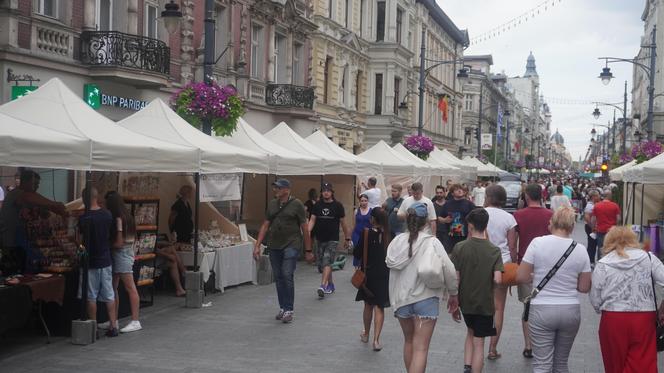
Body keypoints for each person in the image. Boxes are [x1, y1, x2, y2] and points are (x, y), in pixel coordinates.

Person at [516, 207, 592, 373]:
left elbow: (521, 276)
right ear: (572, 227)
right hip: (570, 309)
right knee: (561, 364)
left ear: (551, 223)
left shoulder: (537, 243)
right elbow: (585, 287)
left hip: (542, 308)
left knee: (542, 364)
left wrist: (535, 277)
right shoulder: (580, 249)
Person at [386, 203, 459, 373]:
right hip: (426, 298)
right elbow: (448, 269)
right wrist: (453, 294)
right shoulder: (432, 242)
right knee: (421, 348)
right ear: (426, 221)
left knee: (409, 341)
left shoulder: (396, 242)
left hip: (402, 298)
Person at [590, 226, 664, 373]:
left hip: (613, 317)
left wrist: (600, 307)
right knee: (643, 361)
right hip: (644, 317)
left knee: (615, 363)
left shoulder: (603, 263)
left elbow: (595, 299)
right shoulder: (649, 258)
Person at [450, 208, 503, 373]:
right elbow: (498, 279)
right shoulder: (494, 250)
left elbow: (455, 278)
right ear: (486, 226)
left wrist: (455, 300)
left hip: (466, 302)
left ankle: (467, 366)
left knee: (470, 332)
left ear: (470, 226)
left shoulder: (460, 247)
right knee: (479, 343)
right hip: (484, 303)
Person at [253, 179, 312, 323]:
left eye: (278, 188)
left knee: (286, 274)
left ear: (287, 190)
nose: (275, 190)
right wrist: (257, 245)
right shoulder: (273, 204)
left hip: (292, 243)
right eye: (275, 188)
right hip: (274, 245)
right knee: (278, 277)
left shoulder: (297, 204)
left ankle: (289, 309)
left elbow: (304, 227)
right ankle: (283, 307)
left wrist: (308, 249)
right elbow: (266, 225)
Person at [513, 183, 554, 359]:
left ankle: (528, 345)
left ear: (527, 196)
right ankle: (544, 344)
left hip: (525, 265)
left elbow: (513, 242)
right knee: (545, 306)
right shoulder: (551, 215)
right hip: (548, 267)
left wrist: (515, 262)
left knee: (528, 306)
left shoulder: (518, 215)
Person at [0, 169, 66, 274]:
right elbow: (29, 198)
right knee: (18, 273)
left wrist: (61, 212)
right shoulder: (16, 194)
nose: (37, 186)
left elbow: (45, 210)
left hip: (25, 242)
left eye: (38, 184)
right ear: (26, 182)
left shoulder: (33, 197)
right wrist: (54, 204)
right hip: (12, 244)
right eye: (35, 184)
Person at [79, 187, 118, 337]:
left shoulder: (84, 218)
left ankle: (94, 328)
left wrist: (78, 247)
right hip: (106, 259)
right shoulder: (108, 215)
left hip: (90, 262)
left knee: (91, 296)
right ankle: (113, 326)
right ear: (97, 197)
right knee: (109, 294)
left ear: (84, 199)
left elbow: (81, 243)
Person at [484, 185, 517, 360]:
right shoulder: (509, 218)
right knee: (498, 308)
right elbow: (512, 246)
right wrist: (515, 262)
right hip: (502, 264)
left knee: (481, 306)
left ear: (488, 197)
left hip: (480, 265)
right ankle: (492, 348)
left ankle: (476, 345)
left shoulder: (478, 214)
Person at [104, 191, 141, 333]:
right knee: (114, 286)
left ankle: (135, 320)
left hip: (121, 253)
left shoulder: (118, 219)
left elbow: (118, 243)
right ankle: (114, 319)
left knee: (128, 287)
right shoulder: (128, 217)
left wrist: (108, 245)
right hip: (127, 251)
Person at [354, 207, 391, 351]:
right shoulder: (389, 234)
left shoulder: (366, 233)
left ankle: (366, 334)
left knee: (368, 305)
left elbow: (357, 253)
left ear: (372, 219)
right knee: (379, 307)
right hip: (383, 274)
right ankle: (376, 340)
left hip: (368, 274)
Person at [308, 182, 350, 298]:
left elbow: (344, 223)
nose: (326, 192)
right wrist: (308, 231)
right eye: (324, 190)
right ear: (321, 193)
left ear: (332, 192)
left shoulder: (338, 206)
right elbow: (312, 220)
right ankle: (330, 284)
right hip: (320, 238)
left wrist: (347, 238)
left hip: (333, 239)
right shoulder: (317, 205)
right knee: (324, 264)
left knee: (327, 260)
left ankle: (323, 285)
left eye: (328, 190)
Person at [439, 184, 476, 251]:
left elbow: (476, 220)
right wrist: (444, 220)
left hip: (465, 238)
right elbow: (439, 218)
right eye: (456, 189)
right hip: (450, 238)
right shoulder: (447, 204)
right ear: (452, 193)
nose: (459, 190)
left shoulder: (469, 204)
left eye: (461, 189)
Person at [592, 189, 621, 259]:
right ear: (609, 196)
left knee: (601, 248)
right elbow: (619, 219)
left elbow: (593, 219)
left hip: (600, 230)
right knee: (611, 248)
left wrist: (594, 228)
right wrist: (616, 226)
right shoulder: (615, 206)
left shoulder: (597, 206)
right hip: (611, 231)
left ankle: (600, 263)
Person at [351, 194, 372, 267]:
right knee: (357, 252)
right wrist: (350, 237)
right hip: (357, 234)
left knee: (366, 252)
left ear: (368, 201)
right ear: (359, 202)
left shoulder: (371, 211)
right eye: (362, 201)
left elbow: (373, 224)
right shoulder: (356, 211)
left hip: (367, 235)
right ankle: (357, 271)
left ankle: (364, 269)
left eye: (365, 201)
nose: (364, 202)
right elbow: (353, 224)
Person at [584, 190, 601, 265]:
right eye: (597, 195)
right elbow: (587, 217)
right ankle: (590, 261)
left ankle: (591, 261)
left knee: (593, 244)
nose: (599, 196)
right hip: (590, 227)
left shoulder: (595, 204)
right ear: (593, 197)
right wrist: (592, 227)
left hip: (593, 227)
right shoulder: (590, 205)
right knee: (592, 244)